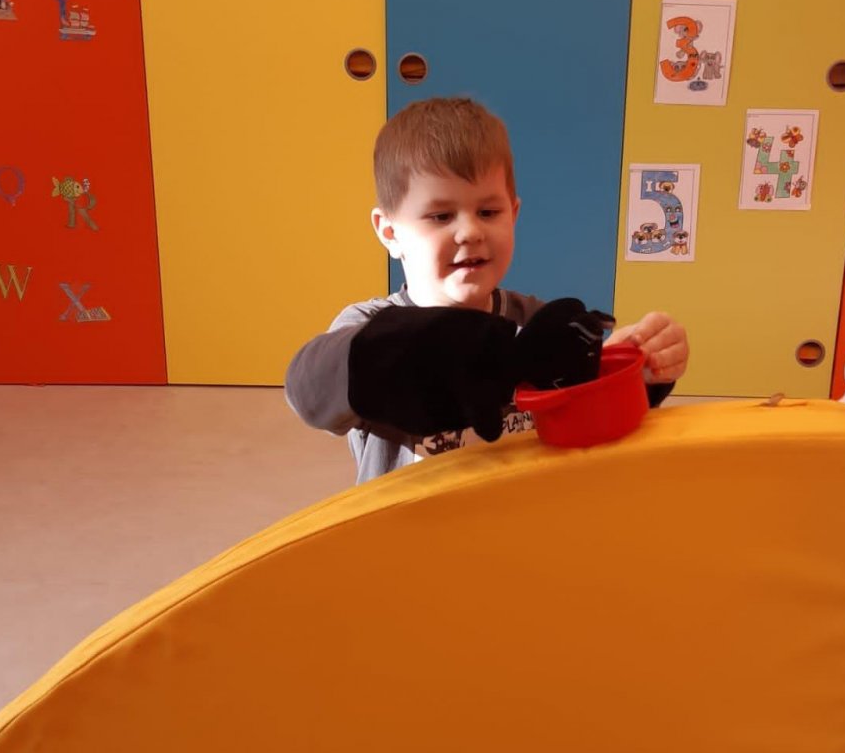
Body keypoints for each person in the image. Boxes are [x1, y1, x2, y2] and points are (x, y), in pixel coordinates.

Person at [286, 97, 690, 483]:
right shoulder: (368, 325)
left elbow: (584, 414)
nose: (470, 231)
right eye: (440, 216)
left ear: (512, 214)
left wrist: (635, 372)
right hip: (410, 526)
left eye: (488, 212)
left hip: (514, 516)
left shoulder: (535, 324)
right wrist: (387, 351)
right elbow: (310, 391)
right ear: (391, 233)